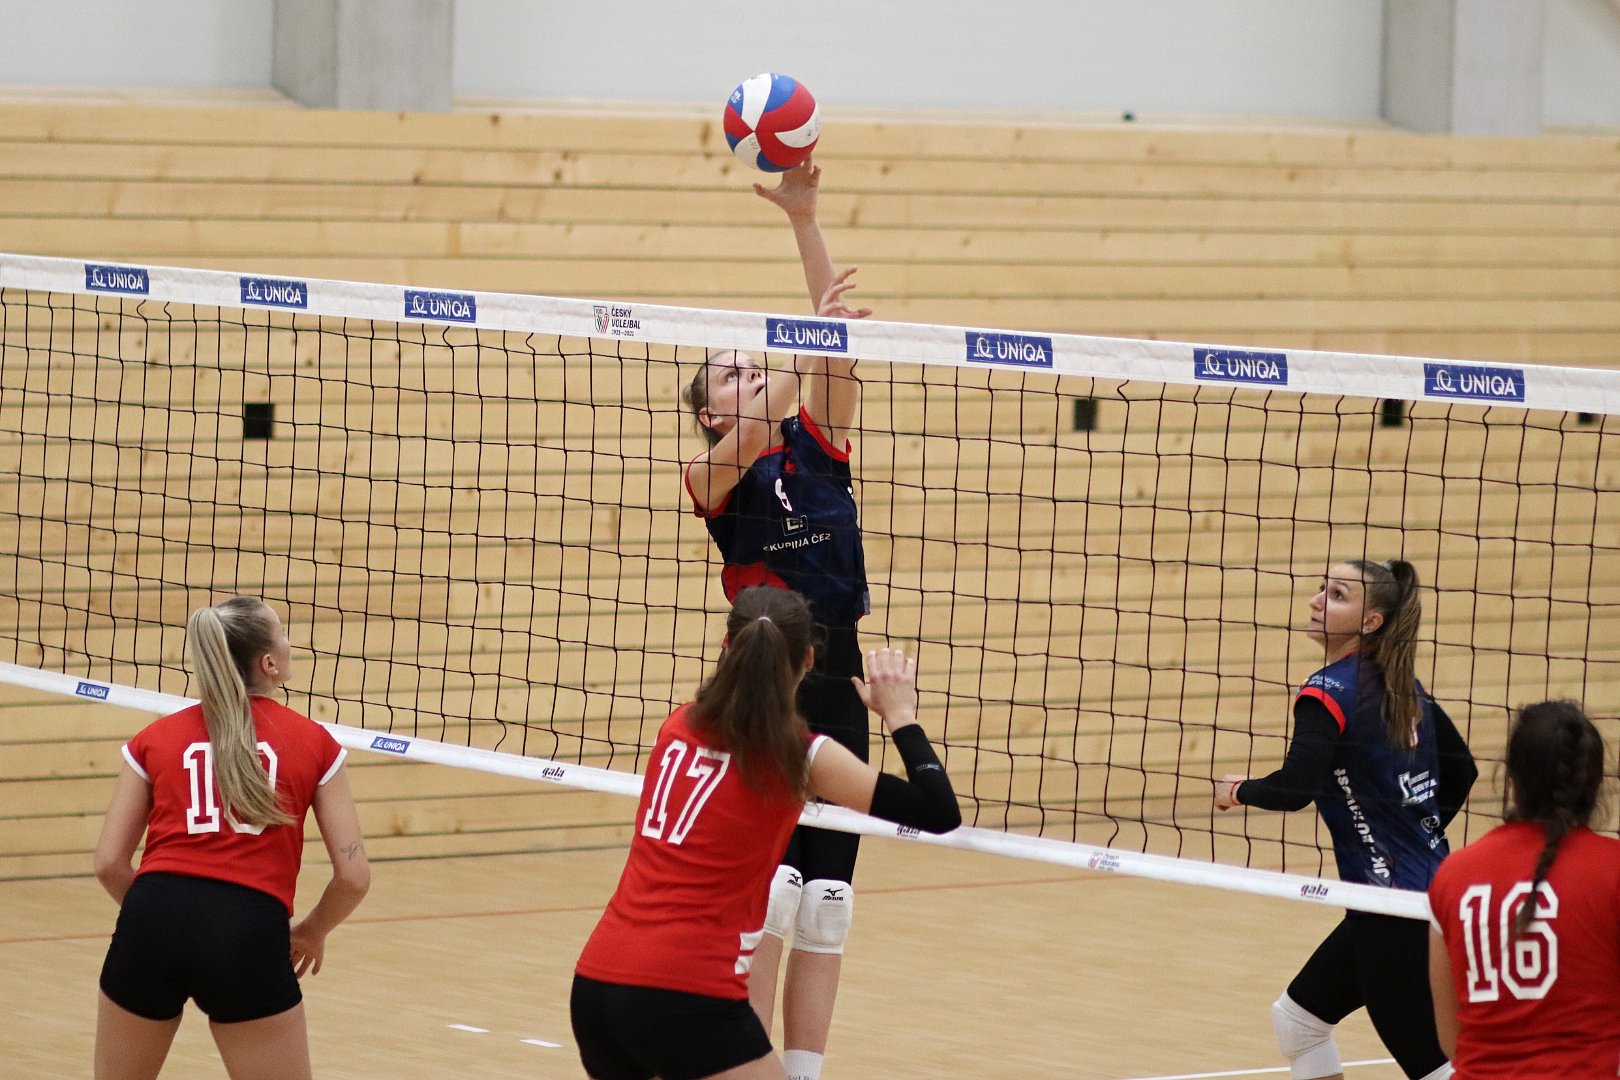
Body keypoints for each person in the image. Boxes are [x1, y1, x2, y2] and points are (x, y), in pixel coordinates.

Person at [571, 585, 960, 1080]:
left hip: (597, 986)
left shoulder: (676, 725)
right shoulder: (799, 754)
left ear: (727, 648)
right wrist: (900, 715)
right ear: (809, 659)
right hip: (686, 993)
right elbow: (937, 810)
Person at [681, 160, 874, 1080]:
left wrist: (805, 220)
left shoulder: (819, 445)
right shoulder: (711, 474)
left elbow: (831, 360)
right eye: (733, 374)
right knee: (771, 894)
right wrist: (802, 345)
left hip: (840, 678)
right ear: (707, 411)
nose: (750, 376)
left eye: (755, 366)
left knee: (828, 904)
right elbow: (768, 415)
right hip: (765, 688)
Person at [1214, 559, 1478, 1080]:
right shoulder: (1403, 684)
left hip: (1390, 911)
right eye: (1322, 589)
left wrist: (1238, 791)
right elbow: (1461, 772)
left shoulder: (1327, 691)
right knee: (1298, 1020)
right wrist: (1410, 835)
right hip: (1420, 894)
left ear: (1371, 621)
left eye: (1337, 595)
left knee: (1433, 1066)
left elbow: (1295, 787)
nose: (1317, 600)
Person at [92, 597, 370, 1080]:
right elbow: (353, 877)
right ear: (269, 663)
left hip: (151, 920)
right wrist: (310, 932)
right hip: (247, 930)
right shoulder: (314, 743)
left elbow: (109, 863)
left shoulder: (154, 738)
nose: (290, 643)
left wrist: (160, 919)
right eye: (283, 634)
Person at [1427, 699, 1620, 1077]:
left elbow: (1451, 1040)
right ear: (1595, 784)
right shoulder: (1611, 870)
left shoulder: (1453, 876)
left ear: (1512, 781)